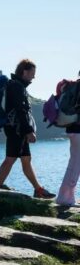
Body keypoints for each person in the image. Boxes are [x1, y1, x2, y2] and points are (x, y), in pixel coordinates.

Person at [0, 59, 55, 198]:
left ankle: (38, 189)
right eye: (32, 73)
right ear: (24, 72)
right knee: (10, 159)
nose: (34, 77)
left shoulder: (16, 85)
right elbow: (20, 110)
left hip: (16, 128)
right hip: (17, 129)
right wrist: (29, 131)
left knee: (26, 159)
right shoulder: (16, 86)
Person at [56, 74, 80, 206]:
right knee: (75, 166)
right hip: (78, 131)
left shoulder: (73, 86)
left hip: (72, 130)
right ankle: (65, 198)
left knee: (74, 164)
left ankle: (67, 196)